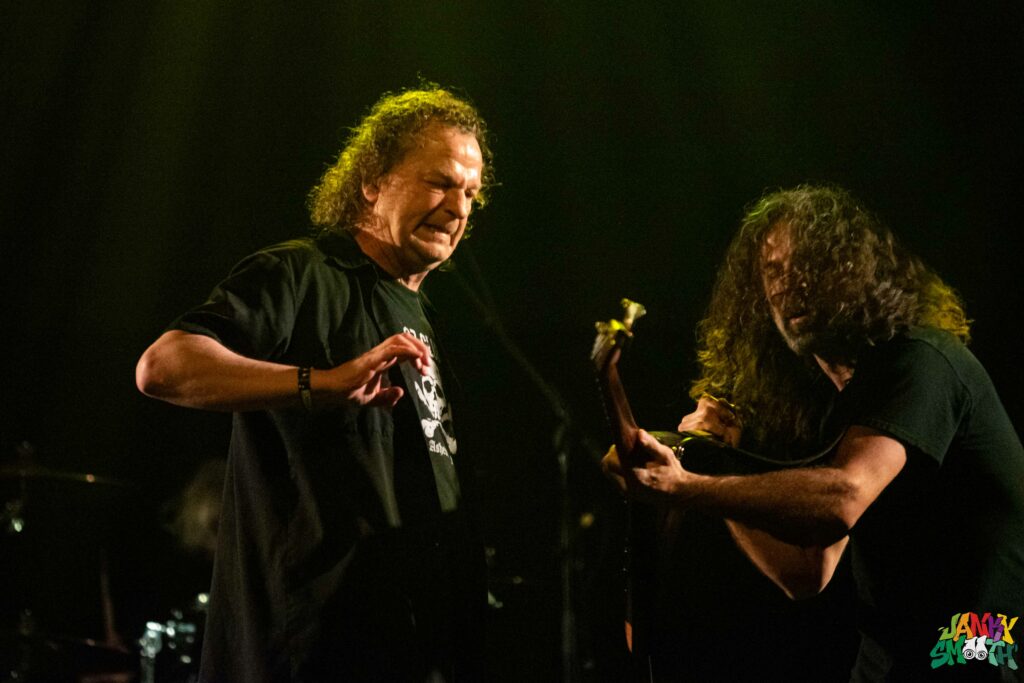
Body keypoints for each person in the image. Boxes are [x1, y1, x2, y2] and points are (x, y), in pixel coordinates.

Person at [136, 85, 493, 682]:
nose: (458, 207)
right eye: (439, 182)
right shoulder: (302, 275)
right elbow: (163, 366)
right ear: (372, 181)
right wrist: (320, 382)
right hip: (305, 652)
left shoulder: (431, 321)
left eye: (471, 193)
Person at [603, 185, 1024, 681]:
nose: (787, 286)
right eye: (773, 272)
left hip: (979, 642)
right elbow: (804, 574)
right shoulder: (844, 402)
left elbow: (843, 497)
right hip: (896, 657)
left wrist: (685, 487)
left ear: (852, 271)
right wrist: (714, 461)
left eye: (806, 265)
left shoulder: (922, 361)